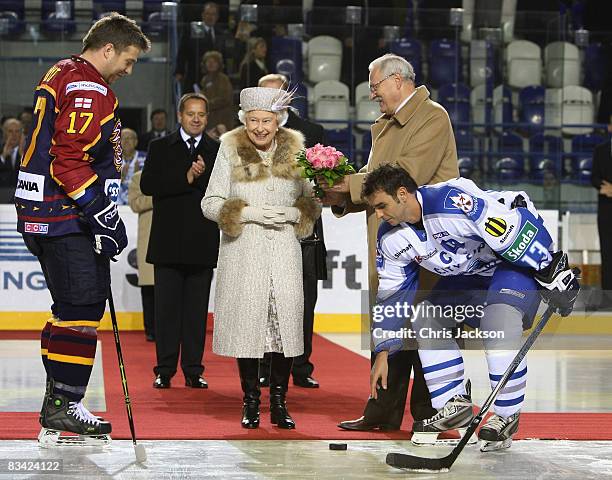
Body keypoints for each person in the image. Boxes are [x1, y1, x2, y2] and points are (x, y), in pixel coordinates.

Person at [363, 165, 580, 451]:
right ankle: (452, 404)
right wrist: (383, 351)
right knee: (425, 316)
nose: (378, 214)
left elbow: (516, 230)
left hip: (510, 264)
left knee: (498, 321)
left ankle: (505, 415)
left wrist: (551, 268)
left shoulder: (452, 201)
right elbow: (392, 293)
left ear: (402, 194)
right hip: (471, 276)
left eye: (381, 205)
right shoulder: (390, 236)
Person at [13, 13, 150, 446]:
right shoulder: (88, 85)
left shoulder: (63, 73)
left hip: (48, 212)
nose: (128, 70)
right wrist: (100, 214)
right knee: (82, 308)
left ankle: (60, 404)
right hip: (64, 215)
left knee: (69, 308)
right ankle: (64, 405)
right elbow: (67, 159)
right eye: (127, 60)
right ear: (107, 49)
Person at [322, 53, 459, 432]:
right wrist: (340, 197)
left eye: (376, 86)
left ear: (398, 80)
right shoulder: (388, 124)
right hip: (391, 238)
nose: (372, 94)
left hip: (424, 241)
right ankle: (381, 411)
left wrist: (344, 186)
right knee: (390, 318)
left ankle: (431, 414)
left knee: (422, 325)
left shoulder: (432, 116)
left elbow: (405, 178)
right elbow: (377, 183)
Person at [201, 86, 320, 429]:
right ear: (243, 119)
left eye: (266, 121)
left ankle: (280, 403)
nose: (260, 128)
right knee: (248, 327)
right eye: (253, 120)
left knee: (283, 327)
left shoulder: (296, 149)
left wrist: (290, 216)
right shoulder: (230, 147)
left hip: (284, 250)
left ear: (278, 120)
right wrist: (250, 213)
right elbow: (209, 203)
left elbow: (312, 203)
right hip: (244, 252)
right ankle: (251, 402)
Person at [140, 93, 220, 389]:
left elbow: (224, 189)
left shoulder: (218, 149)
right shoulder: (160, 147)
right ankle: (164, 369)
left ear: (207, 116)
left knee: (196, 313)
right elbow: (148, 184)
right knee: (166, 311)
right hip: (168, 242)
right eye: (191, 114)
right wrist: (185, 176)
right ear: (180, 115)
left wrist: (199, 177)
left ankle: (193, 370)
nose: (196, 119)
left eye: (201, 114)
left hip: (201, 241)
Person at [257, 73, 328, 388]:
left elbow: (325, 182)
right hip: (263, 229)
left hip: (304, 232)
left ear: (288, 97)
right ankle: (264, 364)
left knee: (304, 299)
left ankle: (301, 366)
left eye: (274, 95)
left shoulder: (313, 132)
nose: (268, 102)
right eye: (262, 95)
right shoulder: (249, 134)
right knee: (264, 299)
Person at [175, 2, 228, 94]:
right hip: (194, 75)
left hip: (215, 78)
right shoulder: (192, 30)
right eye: (208, 14)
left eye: (213, 14)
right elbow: (182, 51)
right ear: (203, 15)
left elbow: (223, 56)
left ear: (217, 16)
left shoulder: (221, 33)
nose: (210, 17)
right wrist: (179, 71)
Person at [128, 170, 155, 341]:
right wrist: (158, 196)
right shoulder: (139, 177)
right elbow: (135, 204)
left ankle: (171, 329)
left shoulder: (174, 174)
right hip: (148, 239)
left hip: (172, 239)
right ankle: (151, 329)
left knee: (170, 289)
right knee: (149, 288)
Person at [591, 139, 612, 307]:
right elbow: (594, 177)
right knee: (607, 251)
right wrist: (601, 186)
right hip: (605, 210)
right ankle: (607, 296)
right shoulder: (600, 150)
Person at [199, 50, 235, 139]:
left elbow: (225, 99)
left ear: (219, 64)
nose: (211, 64)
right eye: (208, 62)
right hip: (209, 119)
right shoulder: (205, 79)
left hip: (222, 119)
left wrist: (207, 104)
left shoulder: (223, 79)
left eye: (214, 62)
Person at [117, 127, 146, 205]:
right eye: (123, 138)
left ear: (136, 142)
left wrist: (137, 177)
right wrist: (121, 177)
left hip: (139, 201)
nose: (126, 141)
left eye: (129, 138)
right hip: (119, 204)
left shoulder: (146, 158)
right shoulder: (112, 160)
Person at [0, 118, 24, 189]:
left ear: (21, 134)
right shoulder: (1, 151)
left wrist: (22, 155)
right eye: (10, 131)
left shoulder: (28, 151)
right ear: (4, 133)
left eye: (17, 131)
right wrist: (3, 157)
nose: (14, 135)